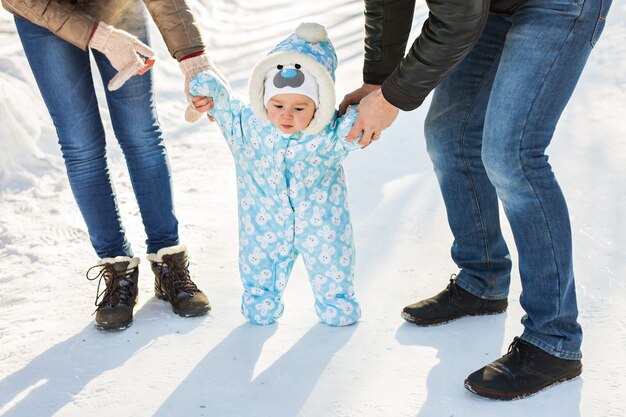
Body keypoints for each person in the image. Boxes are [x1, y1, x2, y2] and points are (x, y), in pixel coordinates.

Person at [340, 0, 612, 400]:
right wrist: (379, 80)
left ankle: (555, 340)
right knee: (450, 135)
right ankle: (482, 279)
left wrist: (392, 98)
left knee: (513, 155)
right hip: (489, 7)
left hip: (558, 6)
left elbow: (457, 17)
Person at [2, 0, 215, 331]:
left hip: (118, 7)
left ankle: (168, 260)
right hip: (42, 14)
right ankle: (117, 269)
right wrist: (100, 37)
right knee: (80, 144)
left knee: (140, 132)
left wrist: (194, 61)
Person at [189, 22, 362, 326]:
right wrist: (209, 92)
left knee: (333, 263)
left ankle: (337, 304)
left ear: (319, 105)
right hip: (262, 222)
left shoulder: (327, 135)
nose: (286, 114)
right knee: (259, 270)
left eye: (299, 107)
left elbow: (354, 127)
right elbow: (226, 107)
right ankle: (260, 303)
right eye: (278, 104)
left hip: (321, 221)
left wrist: (364, 113)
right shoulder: (249, 129)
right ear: (264, 99)